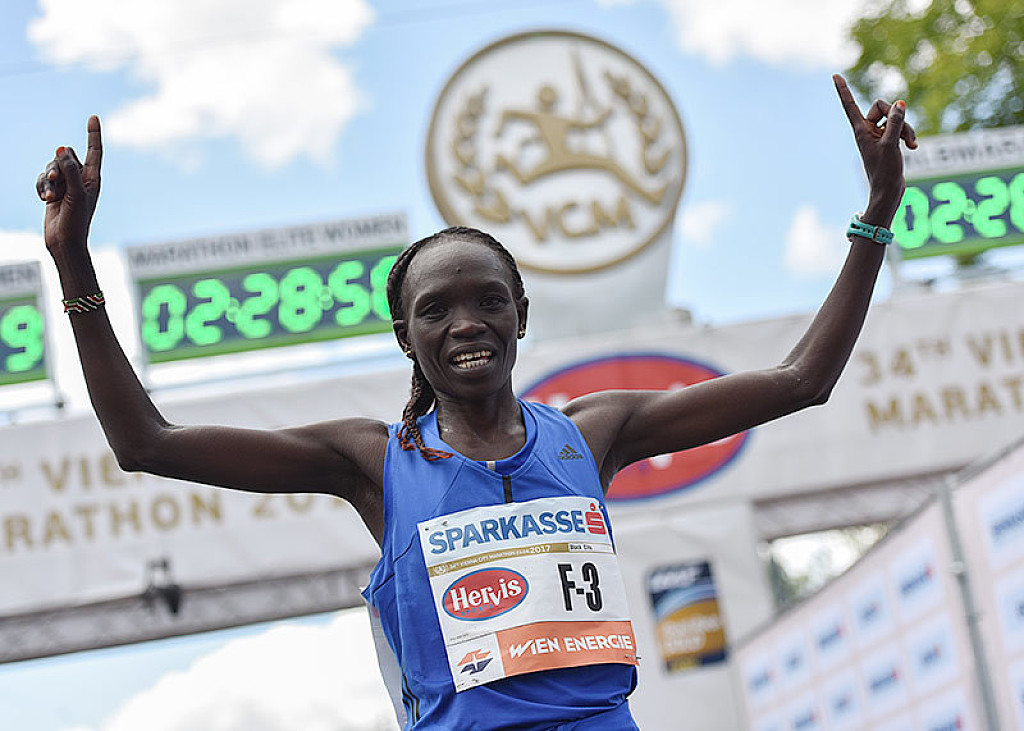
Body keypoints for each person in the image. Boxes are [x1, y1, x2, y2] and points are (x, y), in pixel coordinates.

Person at [35, 74, 915, 730]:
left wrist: (877, 208)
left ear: (521, 314)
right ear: (404, 336)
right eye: (436, 310)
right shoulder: (372, 460)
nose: (467, 323)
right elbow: (147, 441)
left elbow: (803, 380)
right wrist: (73, 261)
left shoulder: (595, 433)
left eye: (489, 300)